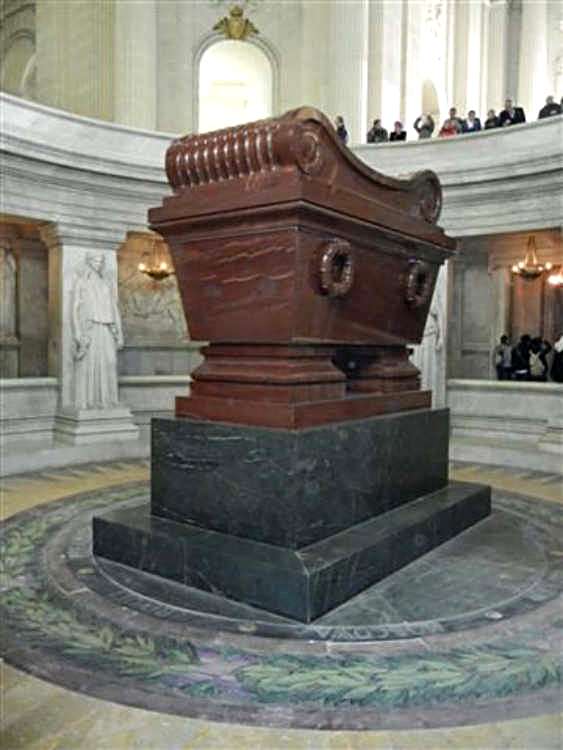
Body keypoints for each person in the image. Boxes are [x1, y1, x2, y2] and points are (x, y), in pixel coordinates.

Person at [72, 252, 124, 409]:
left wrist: (119, 333)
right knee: (90, 364)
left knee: (110, 362)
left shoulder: (106, 283)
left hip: (107, 327)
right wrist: (77, 331)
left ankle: (107, 400)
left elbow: (114, 308)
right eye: (96, 261)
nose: (99, 264)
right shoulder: (82, 282)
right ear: (89, 262)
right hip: (90, 327)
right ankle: (89, 401)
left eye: (101, 261)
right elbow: (75, 308)